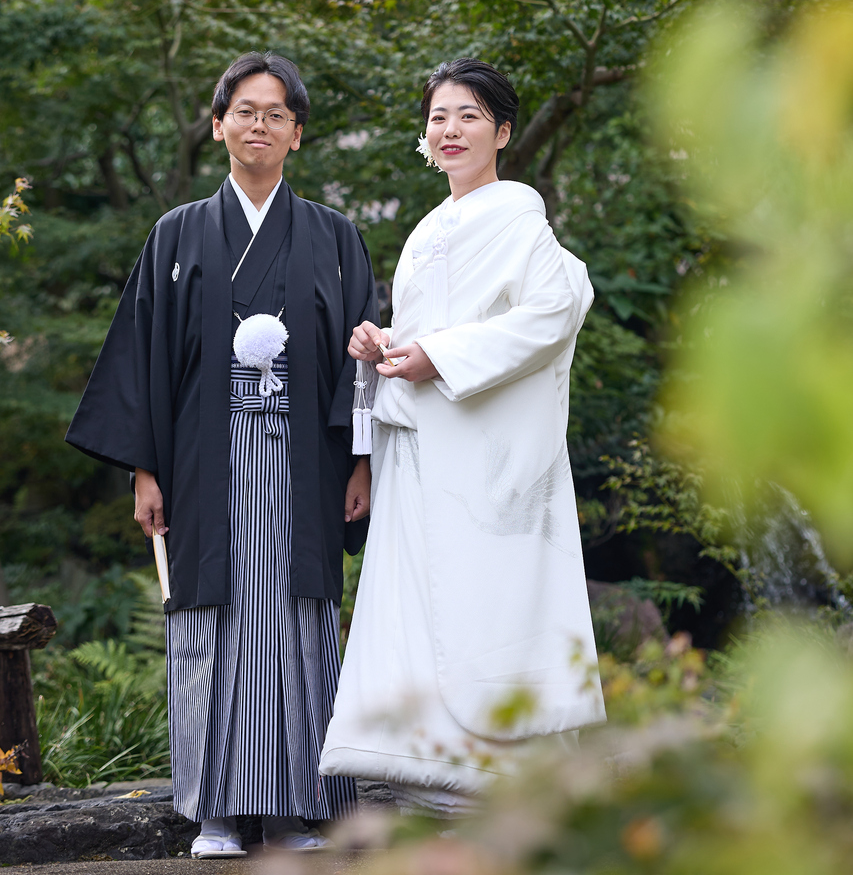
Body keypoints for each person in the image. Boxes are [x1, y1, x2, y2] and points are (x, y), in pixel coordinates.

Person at [66, 52, 377, 856]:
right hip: (205, 461)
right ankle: (215, 811)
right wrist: (143, 470)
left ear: (297, 135)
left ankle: (295, 807)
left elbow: (362, 363)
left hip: (306, 461)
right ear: (217, 125)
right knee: (212, 622)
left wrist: (362, 460)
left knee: (297, 619)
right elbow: (143, 360)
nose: (259, 125)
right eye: (244, 110)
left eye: (276, 114)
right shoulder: (177, 234)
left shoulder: (336, 239)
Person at [319, 58, 604, 816]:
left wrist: (439, 355)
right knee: (424, 600)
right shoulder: (429, 228)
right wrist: (383, 346)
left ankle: (507, 781)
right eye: (439, 117)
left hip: (488, 455)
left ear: (502, 131)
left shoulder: (518, 218)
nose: (449, 130)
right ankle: (430, 771)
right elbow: (428, 335)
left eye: (469, 116)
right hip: (426, 451)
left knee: (492, 604)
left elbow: (557, 308)